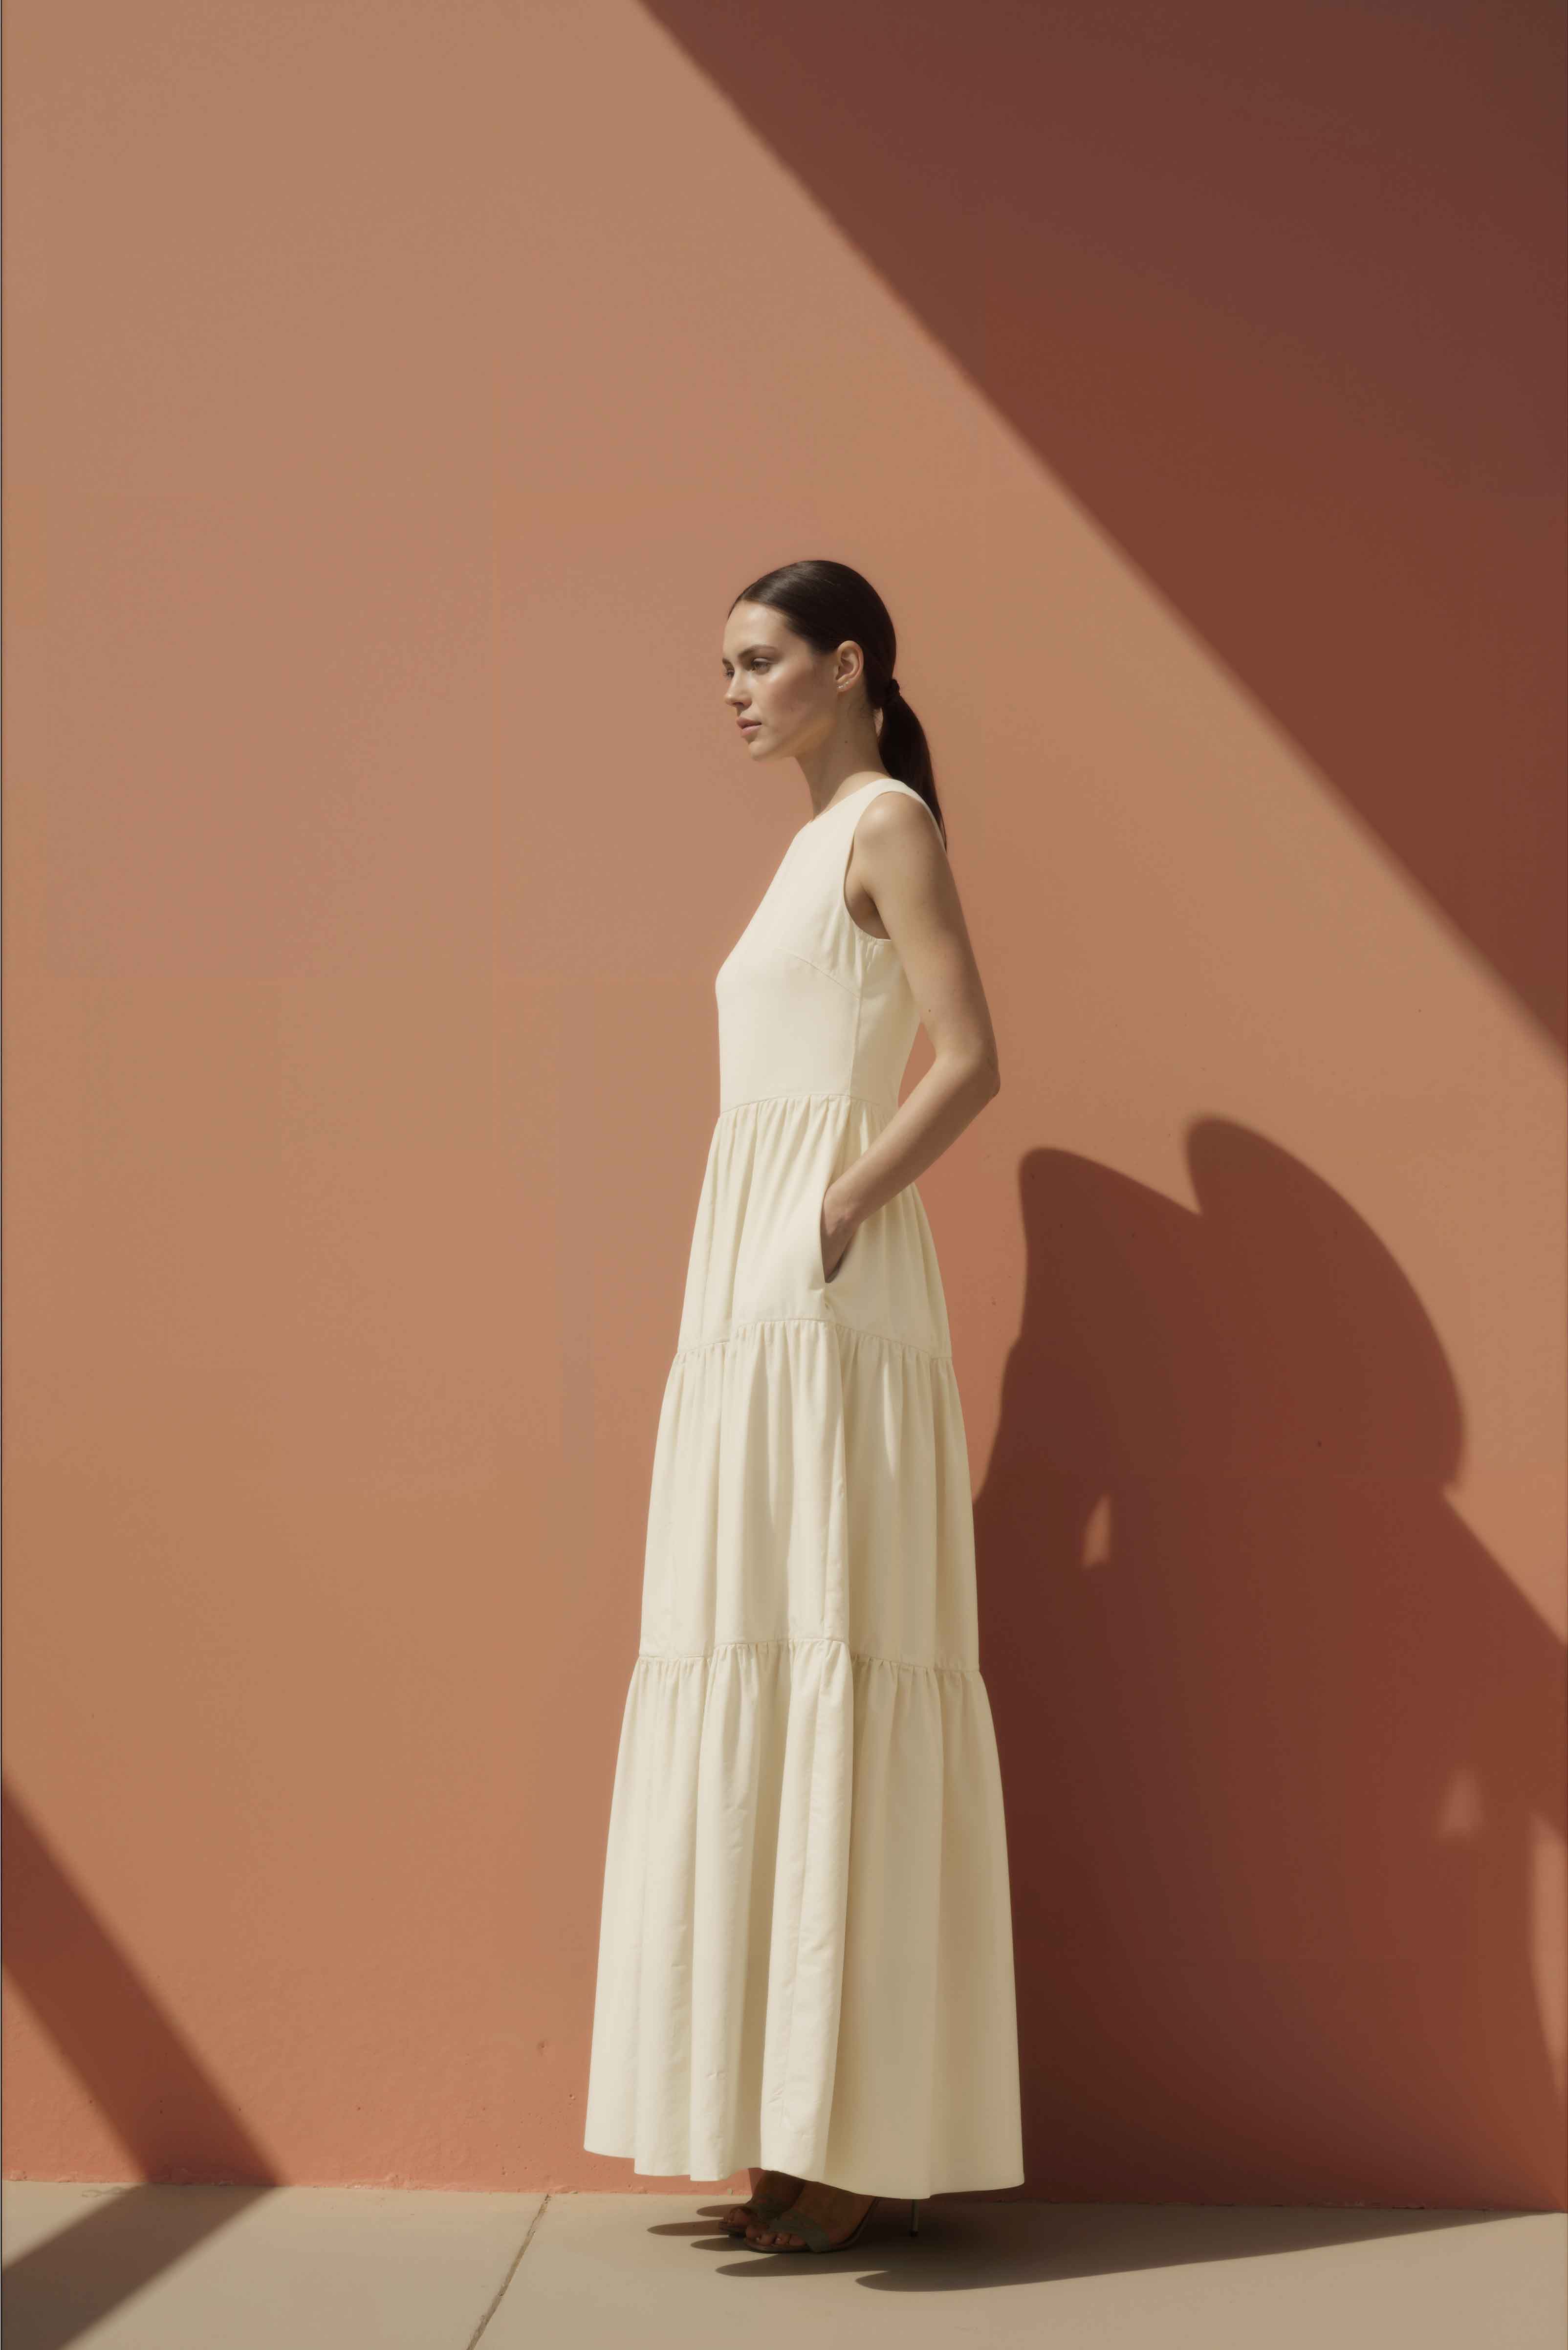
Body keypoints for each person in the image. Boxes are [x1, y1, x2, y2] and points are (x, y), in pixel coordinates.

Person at [583, 558, 1024, 2255]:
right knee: (751, 1645)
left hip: (822, 1286)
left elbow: (971, 1053)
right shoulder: (797, 844)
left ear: (850, 666)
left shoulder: (886, 823)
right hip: (750, 1287)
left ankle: (850, 2137)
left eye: (760, 661)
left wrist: (838, 1209)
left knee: (827, 1643)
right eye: (724, 666)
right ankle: (779, 2120)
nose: (735, 690)